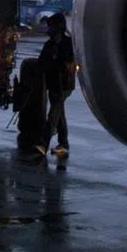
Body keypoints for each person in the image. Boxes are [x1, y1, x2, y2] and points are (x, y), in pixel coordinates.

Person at [37, 13, 75, 157]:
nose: (49, 29)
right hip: (53, 84)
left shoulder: (68, 43)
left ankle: (43, 144)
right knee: (59, 114)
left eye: (52, 26)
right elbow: (41, 63)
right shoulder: (50, 44)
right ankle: (63, 144)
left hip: (64, 85)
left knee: (54, 113)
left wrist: (57, 60)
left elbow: (69, 62)